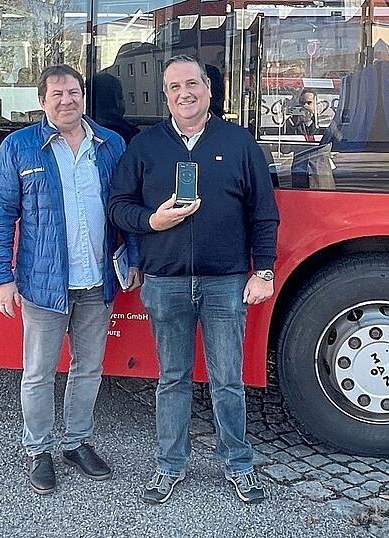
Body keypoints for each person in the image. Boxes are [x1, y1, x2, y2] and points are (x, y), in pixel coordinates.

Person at [108, 55, 280, 505]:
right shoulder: (146, 147)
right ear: (165, 95)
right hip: (164, 282)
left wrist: (263, 271)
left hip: (225, 282)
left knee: (228, 379)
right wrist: (152, 222)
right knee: (172, 378)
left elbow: (264, 213)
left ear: (208, 88)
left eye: (192, 84)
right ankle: (170, 465)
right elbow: (118, 205)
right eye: (173, 87)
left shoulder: (239, 142)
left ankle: (238, 464)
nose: (183, 93)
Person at [0, 64, 138, 495]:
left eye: (73, 92)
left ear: (83, 95)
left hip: (97, 281)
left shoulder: (110, 145)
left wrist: (135, 259)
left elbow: (126, 207)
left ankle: (76, 443)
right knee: (37, 373)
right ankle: (39, 451)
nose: (67, 100)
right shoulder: (20, 148)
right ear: (42, 101)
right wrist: (0, 276)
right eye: (57, 94)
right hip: (42, 283)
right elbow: (0, 216)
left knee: (88, 369)